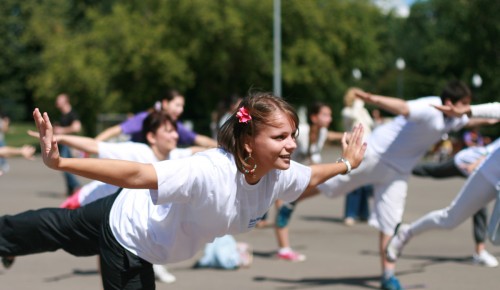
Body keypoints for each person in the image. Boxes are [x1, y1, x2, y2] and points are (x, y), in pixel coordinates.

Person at [0, 92, 366, 289]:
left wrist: (347, 164)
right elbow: (135, 173)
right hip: (132, 233)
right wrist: (62, 163)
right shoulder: (209, 171)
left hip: (138, 216)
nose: (291, 145)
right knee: (61, 230)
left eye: (293, 136)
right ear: (249, 143)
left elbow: (313, 175)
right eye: (280, 137)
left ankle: (7, 238)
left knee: (67, 232)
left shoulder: (278, 173)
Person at [275, 81, 494, 290]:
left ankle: (388, 275)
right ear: (449, 103)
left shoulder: (455, 119)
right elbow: (401, 106)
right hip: (375, 155)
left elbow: (472, 119)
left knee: (391, 220)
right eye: (464, 103)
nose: (467, 108)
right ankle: (290, 203)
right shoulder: (430, 107)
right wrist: (369, 98)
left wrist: (489, 118)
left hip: (398, 172)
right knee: (330, 184)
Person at [386, 102, 500, 286]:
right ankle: (406, 233)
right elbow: (498, 109)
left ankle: (480, 252)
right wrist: (467, 110)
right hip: (489, 173)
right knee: (449, 219)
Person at [272, 101, 343, 261]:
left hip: (295, 176)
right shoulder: (300, 131)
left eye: (330, 115)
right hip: (279, 173)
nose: (329, 118)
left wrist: (349, 136)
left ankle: (290, 205)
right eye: (325, 114)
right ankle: (284, 248)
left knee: (325, 184)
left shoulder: (322, 133)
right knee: (282, 209)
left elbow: (331, 136)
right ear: (314, 117)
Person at [412, 137, 500, 267]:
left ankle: (479, 251)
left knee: (479, 209)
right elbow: (489, 153)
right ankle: (406, 168)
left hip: (483, 173)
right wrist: (474, 165)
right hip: (466, 162)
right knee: (434, 171)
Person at [95, 89, 217, 148]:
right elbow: (115, 130)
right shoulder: (144, 118)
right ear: (165, 103)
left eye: (182, 106)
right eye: (177, 105)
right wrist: (91, 147)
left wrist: (222, 147)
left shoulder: (174, 126)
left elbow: (197, 138)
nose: (181, 110)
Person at [341, 88, 374, 226]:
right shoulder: (347, 111)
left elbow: (370, 123)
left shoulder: (363, 111)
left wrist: (361, 108)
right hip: (354, 147)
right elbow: (353, 117)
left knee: (365, 182)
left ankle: (363, 212)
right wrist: (358, 105)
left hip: (368, 148)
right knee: (353, 182)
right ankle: (350, 214)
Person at [54, 93, 82, 195]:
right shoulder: (62, 115)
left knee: (63, 164)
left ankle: (76, 186)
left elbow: (77, 127)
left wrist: (62, 130)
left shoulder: (72, 114)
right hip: (63, 143)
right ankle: (70, 190)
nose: (57, 103)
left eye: (59, 101)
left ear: (65, 102)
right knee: (66, 166)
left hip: (70, 143)